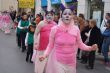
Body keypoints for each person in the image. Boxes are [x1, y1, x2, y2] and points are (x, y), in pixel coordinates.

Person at [39, 8, 97, 73]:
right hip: (58, 61)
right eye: (65, 14)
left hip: (71, 62)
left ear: (72, 16)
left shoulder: (76, 29)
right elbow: (50, 45)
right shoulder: (54, 29)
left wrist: (90, 48)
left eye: (69, 14)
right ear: (61, 16)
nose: (67, 16)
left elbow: (80, 45)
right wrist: (44, 55)